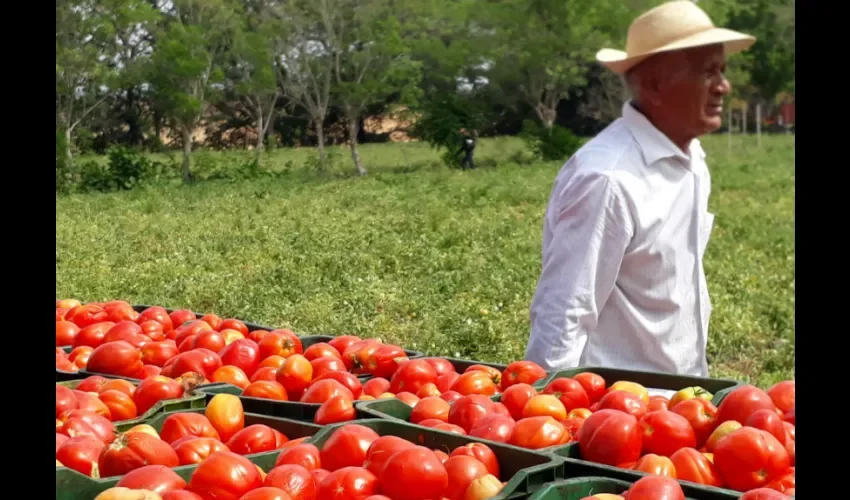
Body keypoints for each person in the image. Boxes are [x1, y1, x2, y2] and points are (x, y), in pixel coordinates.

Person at [525, 1, 756, 376]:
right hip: (616, 413)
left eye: (722, 71)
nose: (723, 86)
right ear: (655, 85)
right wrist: (544, 415)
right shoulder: (607, 178)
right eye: (708, 72)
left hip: (682, 397)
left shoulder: (693, 159)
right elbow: (564, 312)